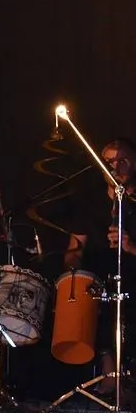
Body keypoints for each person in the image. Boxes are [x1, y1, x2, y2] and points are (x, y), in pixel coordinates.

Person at [63, 137, 136, 395]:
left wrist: (131, 248)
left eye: (124, 160)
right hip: (98, 280)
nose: (117, 168)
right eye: (110, 163)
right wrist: (74, 269)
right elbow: (75, 249)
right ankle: (107, 371)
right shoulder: (90, 205)